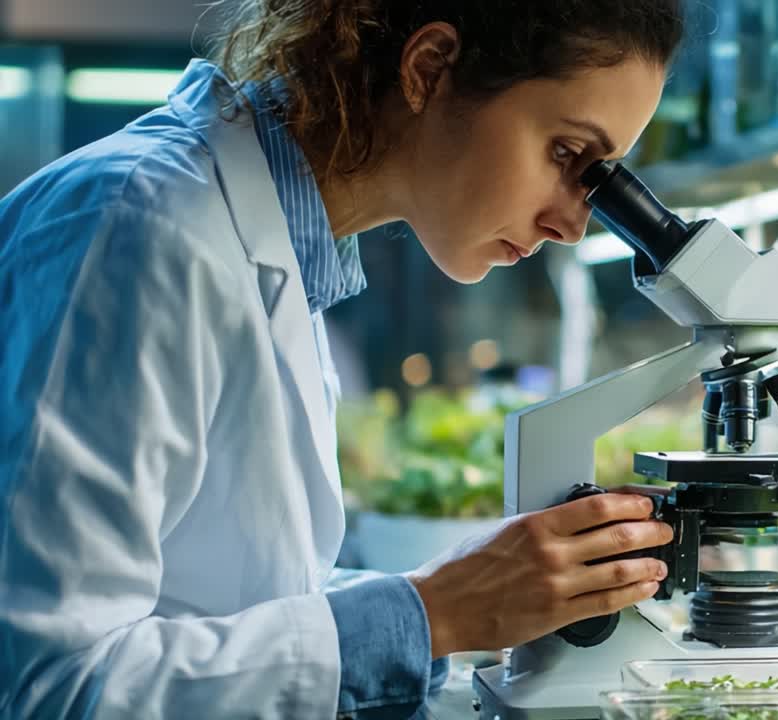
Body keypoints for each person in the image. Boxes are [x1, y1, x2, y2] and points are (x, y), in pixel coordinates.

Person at [0, 1, 684, 717]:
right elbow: (47, 685)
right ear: (429, 70)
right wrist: (430, 614)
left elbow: (222, 599)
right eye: (568, 155)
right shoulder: (135, 229)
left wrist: (460, 596)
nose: (574, 223)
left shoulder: (282, 259)